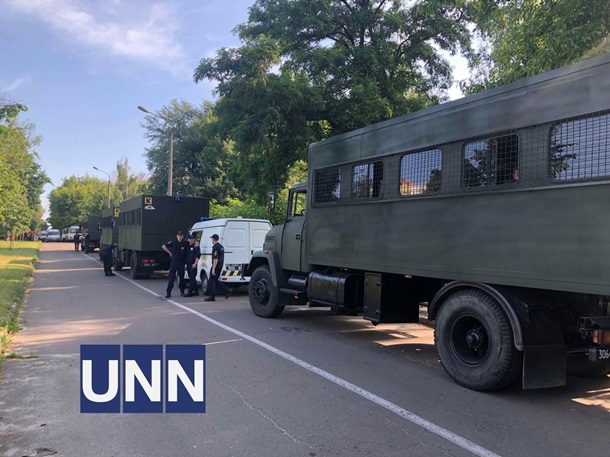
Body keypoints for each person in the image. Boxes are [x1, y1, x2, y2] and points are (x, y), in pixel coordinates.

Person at [204, 234, 232, 302]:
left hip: (216, 266)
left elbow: (215, 259)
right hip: (220, 265)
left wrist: (213, 268)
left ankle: (212, 296)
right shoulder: (221, 247)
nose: (211, 240)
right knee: (215, 280)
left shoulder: (215, 247)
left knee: (211, 281)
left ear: (213, 239)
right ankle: (227, 290)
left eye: (212, 239)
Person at [162, 231, 187, 299]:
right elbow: (163, 246)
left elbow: (191, 244)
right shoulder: (173, 242)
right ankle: (168, 292)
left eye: (181, 236)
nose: (180, 237)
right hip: (174, 262)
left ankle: (182, 291)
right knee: (171, 277)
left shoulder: (185, 243)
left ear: (182, 236)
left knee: (181, 278)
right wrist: (169, 252)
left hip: (181, 262)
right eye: (179, 236)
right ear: (177, 236)